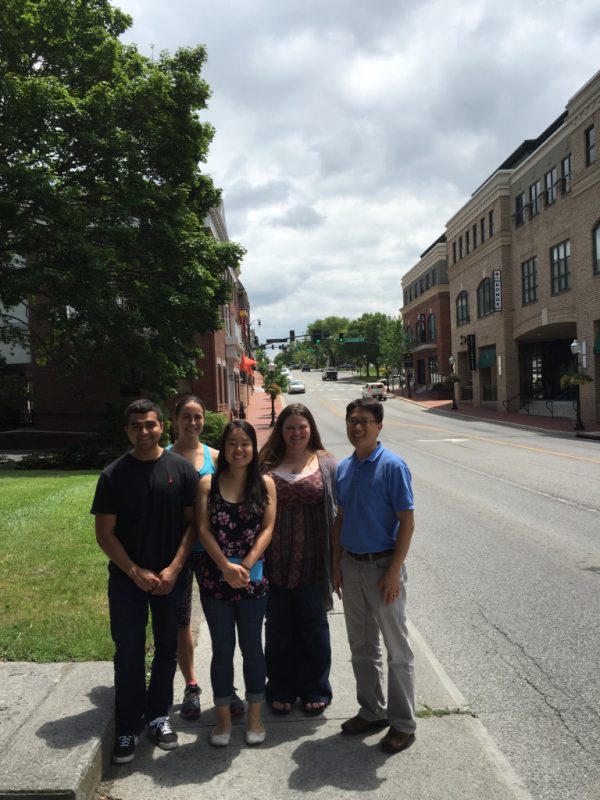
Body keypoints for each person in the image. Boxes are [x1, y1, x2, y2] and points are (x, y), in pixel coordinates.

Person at [91, 398, 198, 765]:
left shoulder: (182, 471)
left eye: (150, 424)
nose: (143, 431)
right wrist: (134, 571)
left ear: (162, 427)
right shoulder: (113, 475)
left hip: (172, 578)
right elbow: (105, 534)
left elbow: (192, 526)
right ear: (127, 430)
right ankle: (127, 726)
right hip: (126, 581)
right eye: (136, 425)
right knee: (130, 653)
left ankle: (158, 716)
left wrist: (173, 569)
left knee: (168, 648)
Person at [333, 397, 416, 755]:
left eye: (365, 420)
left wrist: (395, 571)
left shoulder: (394, 467)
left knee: (397, 650)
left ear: (379, 426)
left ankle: (402, 724)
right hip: (351, 567)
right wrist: (337, 565)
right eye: (353, 420)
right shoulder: (343, 469)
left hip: (383, 567)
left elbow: (407, 522)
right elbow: (340, 518)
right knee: (361, 646)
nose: (357, 427)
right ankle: (372, 710)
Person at [196, 420, 276, 747]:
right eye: (232, 443)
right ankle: (224, 718)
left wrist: (243, 564)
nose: (239, 450)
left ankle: (255, 716)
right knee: (222, 649)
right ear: (223, 448)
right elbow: (202, 530)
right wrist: (225, 567)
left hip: (252, 578)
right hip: (215, 578)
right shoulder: (207, 484)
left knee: (252, 648)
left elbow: (267, 529)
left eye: (245, 443)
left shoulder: (266, 483)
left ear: (254, 448)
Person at [167, 395, 244, 721]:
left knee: (222, 623)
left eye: (198, 417)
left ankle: (229, 688)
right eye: (186, 416)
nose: (193, 423)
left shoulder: (215, 456)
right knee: (182, 622)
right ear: (175, 420)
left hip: (215, 554)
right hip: (178, 554)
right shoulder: (164, 458)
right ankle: (192, 686)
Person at [259, 403, 337, 715]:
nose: (296, 433)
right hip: (273, 560)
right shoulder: (265, 463)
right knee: (278, 628)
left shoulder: (326, 463)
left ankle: (315, 688)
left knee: (313, 626)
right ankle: (280, 688)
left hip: (313, 562)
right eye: (290, 427)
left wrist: (338, 561)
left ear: (311, 429)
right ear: (281, 431)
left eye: (302, 427)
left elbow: (340, 511)